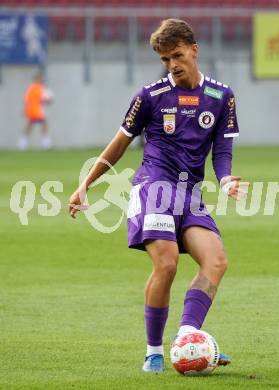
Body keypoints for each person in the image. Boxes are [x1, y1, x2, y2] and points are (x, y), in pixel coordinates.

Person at [69, 19, 248, 372]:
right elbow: (118, 144)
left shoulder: (221, 97)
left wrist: (225, 181)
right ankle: (153, 352)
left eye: (177, 55)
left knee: (216, 261)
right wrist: (84, 184)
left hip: (190, 194)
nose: (172, 65)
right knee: (166, 264)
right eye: (166, 59)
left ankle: (186, 340)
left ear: (194, 50)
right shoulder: (150, 96)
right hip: (153, 188)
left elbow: (222, 151)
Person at [18, 71, 52, 150]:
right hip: (36, 110)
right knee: (44, 125)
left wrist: (25, 110)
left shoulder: (31, 88)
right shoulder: (39, 88)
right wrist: (49, 100)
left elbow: (26, 100)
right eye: (40, 78)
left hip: (32, 110)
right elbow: (44, 99)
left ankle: (22, 143)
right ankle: (45, 144)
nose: (42, 80)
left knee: (30, 126)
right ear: (37, 79)